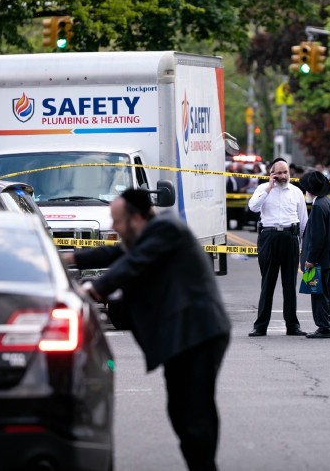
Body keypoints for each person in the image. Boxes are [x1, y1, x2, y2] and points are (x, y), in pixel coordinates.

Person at [62, 189, 231, 471]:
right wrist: (68, 259)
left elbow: (131, 264)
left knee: (195, 410)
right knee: (180, 409)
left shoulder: (166, 229)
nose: (114, 227)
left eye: (117, 221)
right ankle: (199, 463)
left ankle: (204, 466)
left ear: (137, 218)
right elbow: (113, 253)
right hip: (181, 335)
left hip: (199, 332)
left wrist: (93, 289)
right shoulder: (146, 237)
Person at [247, 158, 309, 337]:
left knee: (289, 284)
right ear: (272, 174)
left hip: (290, 237)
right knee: (267, 283)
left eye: (285, 172)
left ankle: (292, 326)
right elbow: (253, 207)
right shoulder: (262, 189)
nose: (283, 176)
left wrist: (306, 247)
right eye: (279, 172)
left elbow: (303, 220)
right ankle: (260, 326)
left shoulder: (296, 192)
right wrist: (269, 188)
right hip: (269, 237)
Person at [298, 170, 330, 338]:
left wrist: (310, 259)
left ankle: (324, 327)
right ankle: (328, 324)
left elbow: (318, 236)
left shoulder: (318, 206)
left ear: (310, 190)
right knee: (327, 294)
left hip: (320, 259)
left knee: (318, 293)